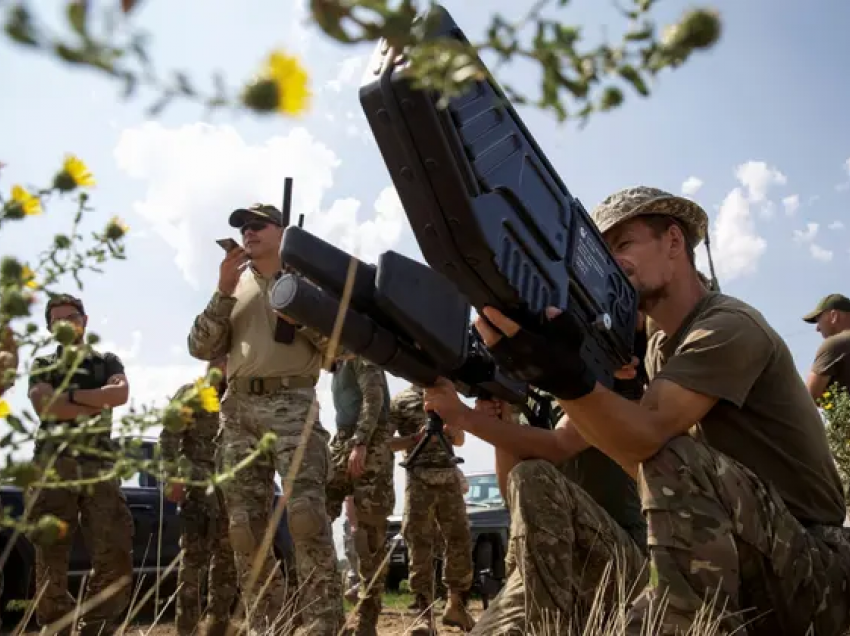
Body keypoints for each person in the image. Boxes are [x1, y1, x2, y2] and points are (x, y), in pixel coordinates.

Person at [445, 185, 850, 635]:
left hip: (814, 574)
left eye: (624, 245)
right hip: (734, 556)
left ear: (673, 242)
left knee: (670, 452)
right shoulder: (658, 346)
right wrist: (556, 374)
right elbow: (630, 459)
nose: (611, 265)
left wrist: (566, 378)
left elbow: (649, 440)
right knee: (535, 479)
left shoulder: (729, 326)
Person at [424, 318, 650, 635]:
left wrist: (464, 416)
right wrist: (503, 420)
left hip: (618, 562)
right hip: (550, 567)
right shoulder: (531, 394)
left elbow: (559, 446)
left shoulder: (600, 376)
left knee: (533, 475)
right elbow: (511, 495)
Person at [187, 203, 343, 635]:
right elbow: (200, 347)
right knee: (243, 527)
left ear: (282, 231)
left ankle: (322, 624)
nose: (248, 233)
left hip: (292, 403)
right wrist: (221, 289)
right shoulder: (233, 287)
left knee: (307, 516)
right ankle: (268, 623)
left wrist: (302, 316)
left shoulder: (306, 283)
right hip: (237, 412)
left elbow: (340, 352)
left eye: (258, 225)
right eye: (242, 227)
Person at [26, 293, 134, 635]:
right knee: (50, 560)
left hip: (99, 469)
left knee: (115, 552)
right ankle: (58, 627)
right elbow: (44, 406)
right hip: (53, 469)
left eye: (71, 317)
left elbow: (119, 394)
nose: (65, 325)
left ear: (84, 321)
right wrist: (94, 400)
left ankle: (96, 627)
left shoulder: (107, 362)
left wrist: (68, 400)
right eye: (56, 321)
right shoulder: (44, 365)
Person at [388, 384, 476, 634]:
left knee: (459, 539)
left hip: (448, 477)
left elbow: (459, 441)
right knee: (419, 542)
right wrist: (413, 439)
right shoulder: (401, 400)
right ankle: (424, 614)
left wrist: (453, 431)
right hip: (418, 478)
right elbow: (386, 442)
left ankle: (456, 605)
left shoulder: (447, 396)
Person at [159, 357, 237, 636]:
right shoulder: (192, 394)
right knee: (193, 564)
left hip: (230, 494)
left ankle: (218, 627)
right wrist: (171, 476)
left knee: (226, 566)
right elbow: (168, 436)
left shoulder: (238, 397)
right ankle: (187, 631)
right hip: (197, 492)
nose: (223, 366)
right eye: (218, 360)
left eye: (228, 360)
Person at [324, 353, 394, 636]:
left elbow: (373, 396)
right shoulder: (339, 361)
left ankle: (367, 623)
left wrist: (361, 442)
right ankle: (328, 616)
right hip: (342, 440)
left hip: (369, 444)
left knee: (369, 539)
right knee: (315, 520)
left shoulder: (361, 351)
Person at [802, 293, 850, 399]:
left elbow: (809, 398)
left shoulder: (835, 344)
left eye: (819, 319)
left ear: (834, 316)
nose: (817, 328)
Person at [342, 496, 361, 602]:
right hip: (357, 519)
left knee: (354, 565)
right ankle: (356, 591)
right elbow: (349, 497)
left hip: (352, 520)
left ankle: (355, 591)